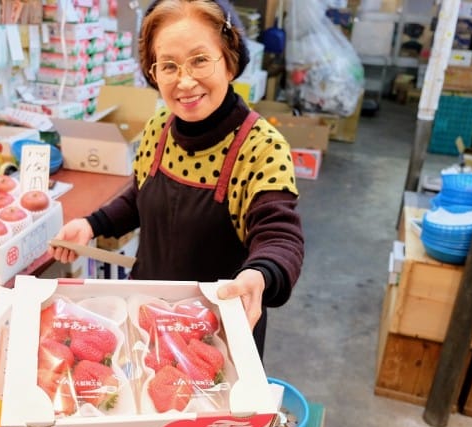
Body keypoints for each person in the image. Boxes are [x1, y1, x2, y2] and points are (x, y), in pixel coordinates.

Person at [48, 0, 304, 358]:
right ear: (154, 73)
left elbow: (280, 235)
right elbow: (140, 197)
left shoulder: (262, 147)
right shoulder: (158, 128)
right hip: (146, 315)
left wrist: (258, 276)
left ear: (229, 61)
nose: (184, 81)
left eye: (200, 60)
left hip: (215, 336)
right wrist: (92, 224)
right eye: (168, 65)